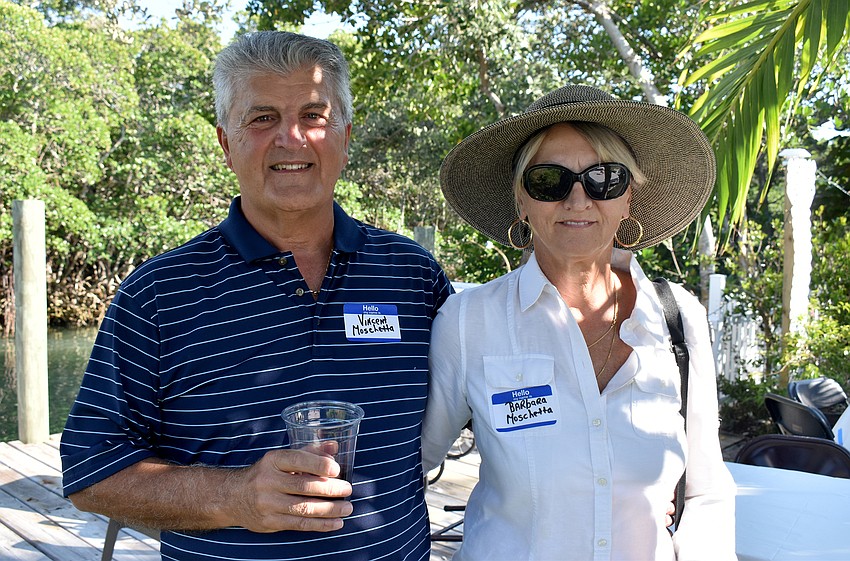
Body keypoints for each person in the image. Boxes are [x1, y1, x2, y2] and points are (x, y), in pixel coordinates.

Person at [60, 31, 452, 561]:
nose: (291, 138)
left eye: (314, 115)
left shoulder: (412, 276)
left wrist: (596, 274)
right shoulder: (158, 294)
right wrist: (235, 498)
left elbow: (502, 380)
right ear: (226, 143)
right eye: (262, 118)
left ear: (345, 135)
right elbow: (92, 471)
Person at [421, 85, 737, 560]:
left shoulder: (678, 320)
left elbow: (706, 492)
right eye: (549, 181)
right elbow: (408, 466)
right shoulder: (469, 322)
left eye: (604, 178)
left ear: (628, 197)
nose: (577, 199)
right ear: (521, 202)